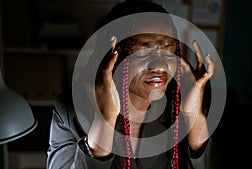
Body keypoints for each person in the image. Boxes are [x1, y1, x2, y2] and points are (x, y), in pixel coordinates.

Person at [46, 0, 216, 168]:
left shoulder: (183, 105)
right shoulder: (70, 110)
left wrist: (193, 114)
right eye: (143, 52)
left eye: (169, 50)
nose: (161, 66)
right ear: (113, 55)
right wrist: (104, 120)